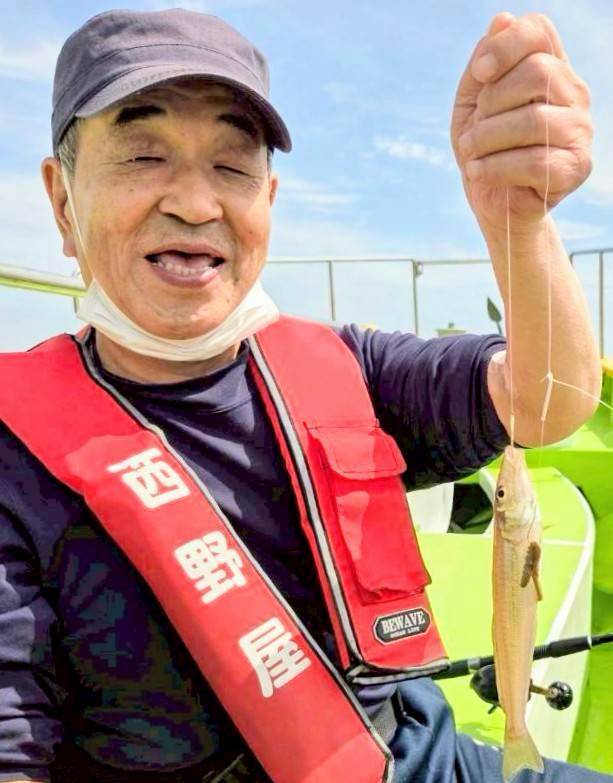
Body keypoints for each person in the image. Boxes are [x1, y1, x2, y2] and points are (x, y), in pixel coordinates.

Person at [0, 7, 607, 783]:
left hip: (429, 759)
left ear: (269, 200)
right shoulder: (16, 454)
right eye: (144, 155)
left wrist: (517, 222)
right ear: (61, 202)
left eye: (232, 166)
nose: (195, 203)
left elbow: (545, 401)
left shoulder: (342, 365)